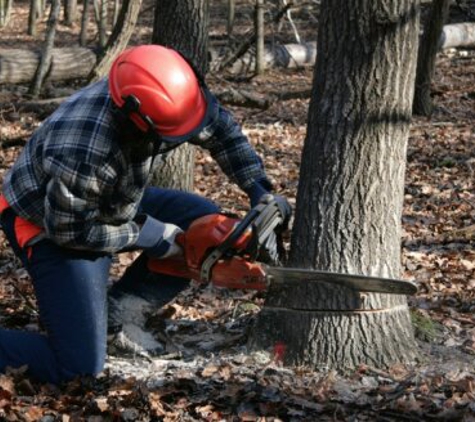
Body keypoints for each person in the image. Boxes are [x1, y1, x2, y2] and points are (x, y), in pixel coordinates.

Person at [0, 45, 291, 384]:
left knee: (203, 225)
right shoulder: (84, 147)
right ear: (136, 122)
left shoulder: (169, 96)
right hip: (48, 224)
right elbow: (71, 231)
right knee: (77, 367)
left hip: (113, 200)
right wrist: (147, 234)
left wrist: (257, 185)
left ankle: (119, 314)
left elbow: (221, 131)